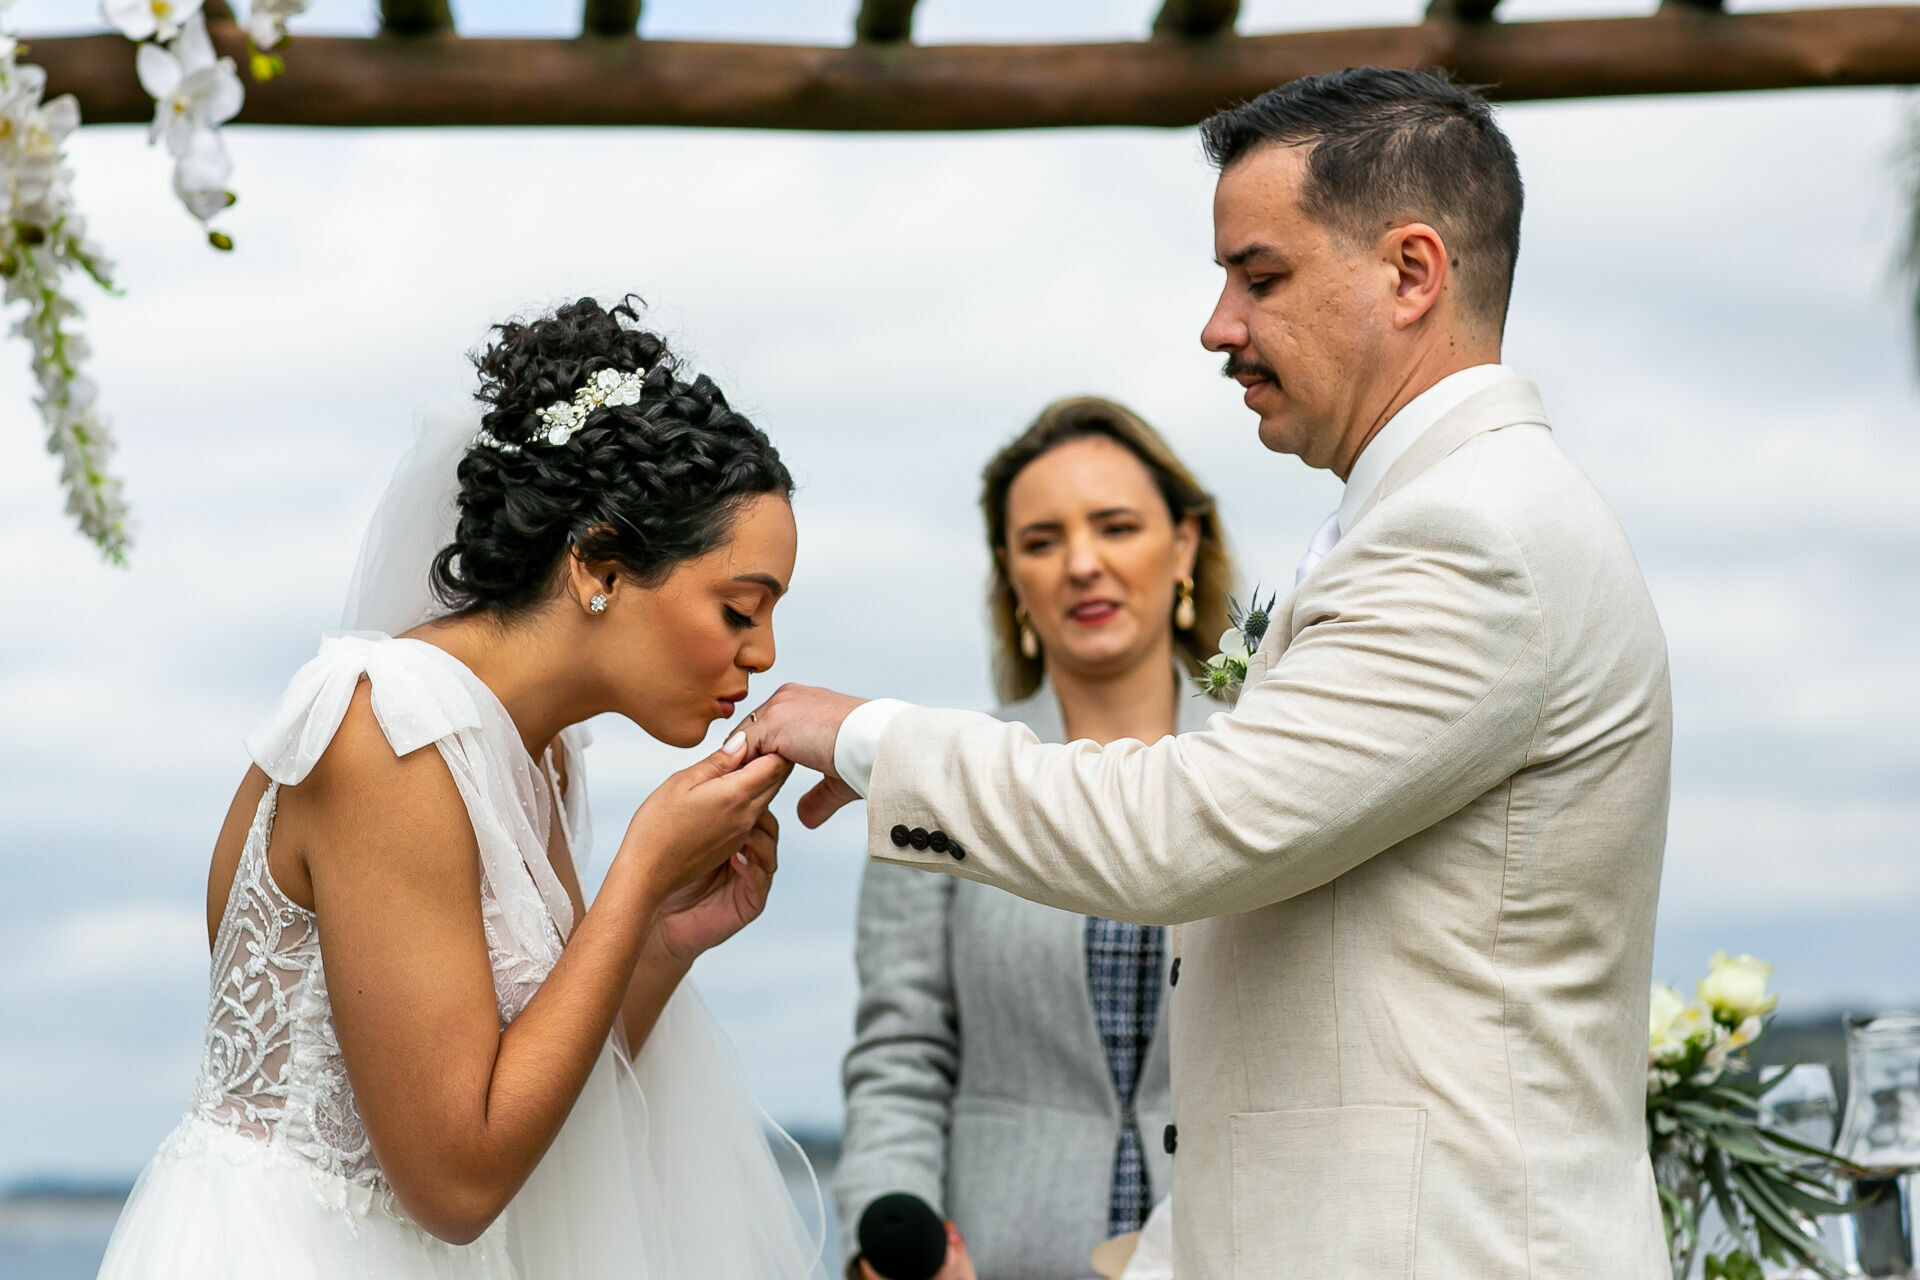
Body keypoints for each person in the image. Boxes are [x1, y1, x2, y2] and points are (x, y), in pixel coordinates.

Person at [744, 69, 1674, 1280]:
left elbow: (1189, 830)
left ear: (1411, 272)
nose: (1218, 323)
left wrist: (867, 735)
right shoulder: (1419, 517)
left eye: (1262, 275)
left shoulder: (1473, 536)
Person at [96, 297, 825, 1280]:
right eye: (740, 607)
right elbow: (454, 1178)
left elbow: (542, 1097)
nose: (765, 652)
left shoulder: (537, 751)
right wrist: (640, 871)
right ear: (599, 565)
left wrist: (660, 939)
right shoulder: (386, 730)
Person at [835, 397, 1237, 1280]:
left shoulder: (1275, 758)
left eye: (1117, 526)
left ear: (1183, 546)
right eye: (1042, 540)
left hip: (1248, 1246)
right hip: (997, 1257)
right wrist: (892, 1239)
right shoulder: (934, 777)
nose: (1082, 564)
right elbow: (901, 1053)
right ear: (1009, 574)